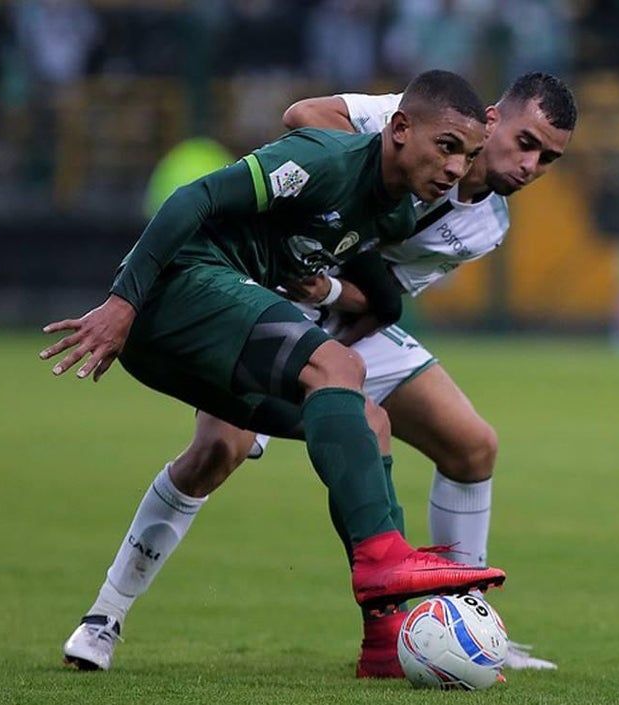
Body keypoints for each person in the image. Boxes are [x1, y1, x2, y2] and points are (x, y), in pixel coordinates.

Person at [60, 72, 577, 677]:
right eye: (525, 142)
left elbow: (382, 297)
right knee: (217, 450)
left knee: (456, 441)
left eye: (548, 159)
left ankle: (451, 625)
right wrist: (340, 187)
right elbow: (303, 121)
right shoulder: (384, 132)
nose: (530, 165)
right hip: (243, 285)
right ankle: (104, 617)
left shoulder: (481, 226)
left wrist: (329, 287)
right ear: (488, 120)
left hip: (331, 310)